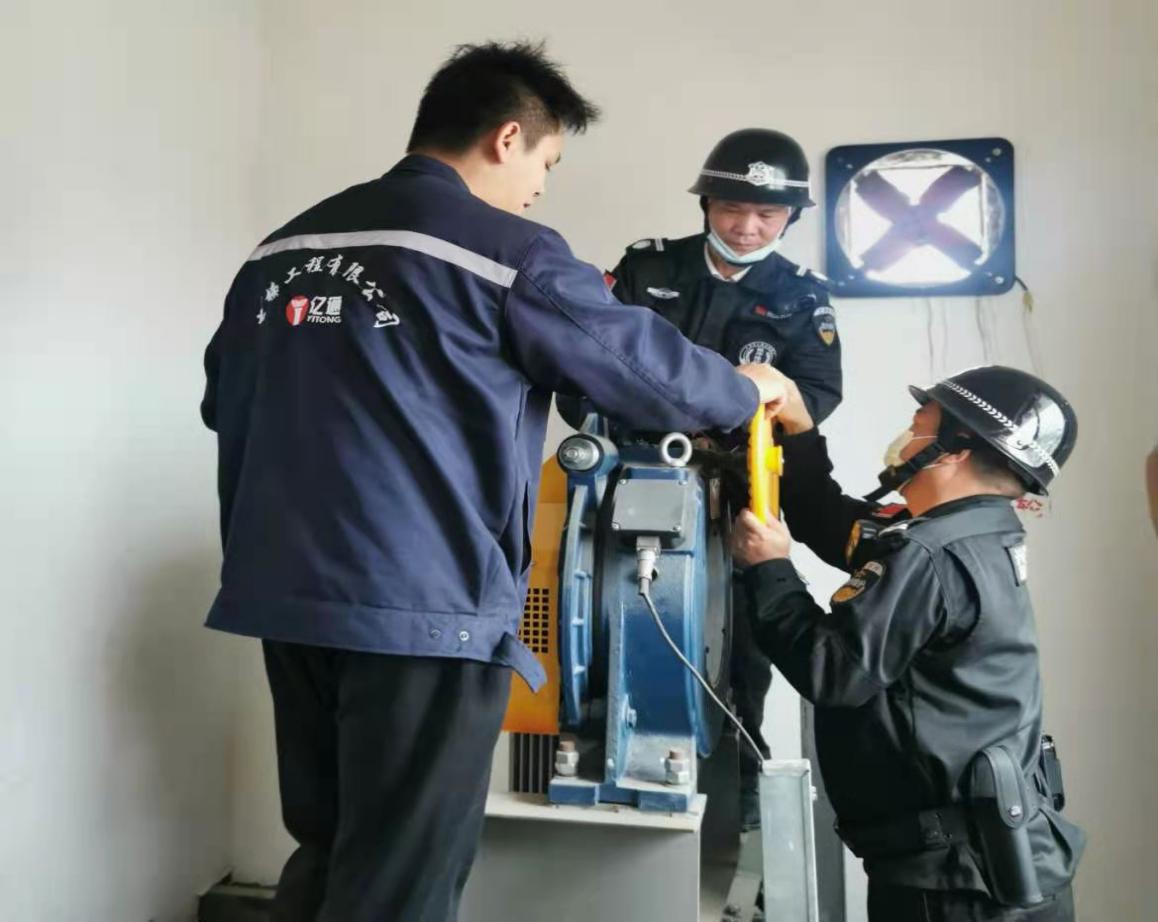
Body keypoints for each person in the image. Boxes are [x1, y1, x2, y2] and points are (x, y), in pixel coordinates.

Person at [200, 41, 784, 922]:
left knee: (327, 846)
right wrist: (746, 391)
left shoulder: (284, 247)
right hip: (424, 607)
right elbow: (644, 372)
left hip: (285, 596)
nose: (539, 188)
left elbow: (224, 402)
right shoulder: (506, 250)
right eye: (546, 164)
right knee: (399, 876)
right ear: (508, 138)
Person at [731, 365, 1084, 922]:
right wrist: (798, 427)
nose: (906, 436)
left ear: (953, 448)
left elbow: (831, 672)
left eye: (920, 425)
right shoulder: (975, 532)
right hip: (992, 866)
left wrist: (769, 569)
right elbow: (830, 521)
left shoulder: (932, 553)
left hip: (957, 891)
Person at [564, 127, 841, 828]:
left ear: (791, 218)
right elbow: (584, 363)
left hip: (738, 490)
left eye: (767, 214)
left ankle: (739, 789)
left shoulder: (801, 297)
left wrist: (750, 406)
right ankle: (593, 754)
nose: (747, 228)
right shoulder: (649, 267)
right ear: (706, 206)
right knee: (593, 615)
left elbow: (815, 399)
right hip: (630, 480)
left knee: (741, 643)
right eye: (731, 209)